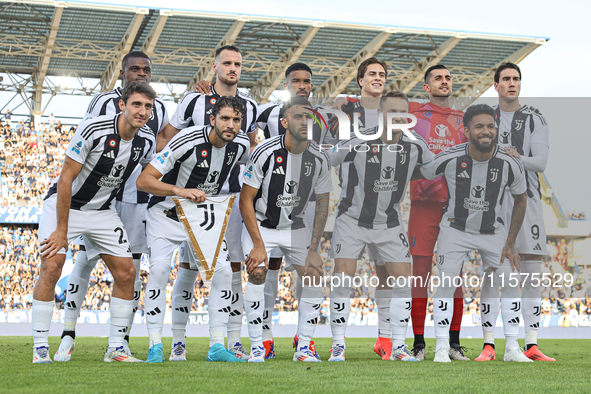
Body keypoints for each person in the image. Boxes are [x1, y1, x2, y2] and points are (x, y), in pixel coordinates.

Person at [32, 81, 157, 363]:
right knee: (51, 266)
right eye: (137, 104)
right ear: (122, 105)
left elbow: (150, 174)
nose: (142, 111)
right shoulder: (93, 129)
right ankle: (40, 347)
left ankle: (116, 349)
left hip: (102, 210)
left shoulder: (146, 139)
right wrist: (62, 230)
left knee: (127, 273)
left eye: (148, 106)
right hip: (65, 206)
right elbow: (65, 180)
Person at [55, 51, 169, 361]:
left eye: (146, 69)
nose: (141, 74)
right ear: (123, 75)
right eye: (134, 69)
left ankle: (120, 341)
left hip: (134, 198)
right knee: (85, 260)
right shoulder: (103, 102)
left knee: (128, 268)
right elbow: (86, 142)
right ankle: (68, 333)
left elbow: (164, 145)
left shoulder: (157, 108)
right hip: (99, 196)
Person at [160, 45, 257, 360]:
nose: (233, 68)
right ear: (214, 67)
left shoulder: (250, 106)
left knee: (232, 268)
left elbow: (251, 150)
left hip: (227, 200)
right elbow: (166, 139)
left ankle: (232, 340)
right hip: (189, 199)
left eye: (237, 64)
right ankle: (178, 341)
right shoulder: (194, 98)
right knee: (187, 268)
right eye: (226, 63)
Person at [137, 96, 250, 363]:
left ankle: (216, 347)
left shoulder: (241, 145)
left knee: (224, 272)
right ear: (212, 119)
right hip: (166, 214)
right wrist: (180, 191)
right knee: (160, 269)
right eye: (224, 118)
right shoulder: (187, 140)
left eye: (236, 120)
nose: (230, 125)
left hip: (202, 218)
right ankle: (156, 345)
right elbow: (144, 180)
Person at [420, 103, 531, 363]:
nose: (486, 131)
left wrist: (511, 242)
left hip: (492, 232)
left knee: (512, 282)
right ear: (466, 129)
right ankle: (440, 347)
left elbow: (521, 199)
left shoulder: (510, 162)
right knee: (446, 284)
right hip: (455, 230)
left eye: (491, 126)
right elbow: (423, 170)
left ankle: (513, 348)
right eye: (479, 126)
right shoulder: (450, 156)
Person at [327, 91, 432, 362]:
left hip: (389, 222)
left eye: (402, 113)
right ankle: (338, 345)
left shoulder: (416, 145)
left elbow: (434, 167)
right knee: (342, 278)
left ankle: (397, 345)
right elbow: (329, 158)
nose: (397, 117)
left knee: (403, 282)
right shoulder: (359, 140)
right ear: (381, 115)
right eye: (391, 112)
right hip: (352, 220)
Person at [240, 96, 332, 362]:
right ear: (284, 122)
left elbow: (323, 205)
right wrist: (258, 244)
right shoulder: (264, 152)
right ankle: (258, 345)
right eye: (297, 116)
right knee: (257, 272)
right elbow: (246, 200)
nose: (304, 122)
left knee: (314, 273)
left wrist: (314, 249)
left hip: (296, 226)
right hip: (263, 225)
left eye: (308, 117)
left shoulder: (319, 157)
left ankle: (303, 347)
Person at [476, 62, 555, 362]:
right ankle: (489, 345)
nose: (512, 83)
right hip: (491, 202)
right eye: (506, 79)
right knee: (492, 272)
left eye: (516, 79)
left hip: (528, 200)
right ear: (495, 85)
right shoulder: (484, 118)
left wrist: (515, 157)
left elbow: (541, 162)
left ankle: (532, 344)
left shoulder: (534, 118)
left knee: (532, 274)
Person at [330, 57, 398, 360]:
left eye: (382, 74)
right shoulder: (346, 110)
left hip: (386, 212)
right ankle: (338, 343)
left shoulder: (392, 113)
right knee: (343, 275)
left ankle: (385, 339)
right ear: (360, 80)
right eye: (372, 74)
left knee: (387, 276)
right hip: (352, 209)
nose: (378, 78)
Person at [407, 65, 468, 361]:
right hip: (423, 203)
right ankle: (419, 343)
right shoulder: (414, 116)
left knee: (454, 277)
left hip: (456, 208)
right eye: (438, 79)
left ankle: (454, 343)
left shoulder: (463, 120)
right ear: (427, 87)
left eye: (447, 78)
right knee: (420, 275)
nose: (444, 82)